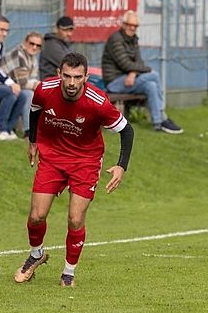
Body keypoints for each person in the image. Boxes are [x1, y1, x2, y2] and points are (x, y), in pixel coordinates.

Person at [14, 52, 134, 287]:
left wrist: (122, 166)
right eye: (67, 76)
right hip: (52, 157)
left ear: (86, 77)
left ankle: (68, 273)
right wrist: (33, 141)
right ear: (59, 73)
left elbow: (127, 130)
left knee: (75, 218)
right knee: (36, 216)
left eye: (77, 77)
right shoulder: (44, 89)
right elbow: (35, 109)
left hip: (85, 161)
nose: (71, 82)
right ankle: (36, 255)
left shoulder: (98, 102)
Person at [101, 10, 183, 134]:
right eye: (130, 25)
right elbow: (125, 64)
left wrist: (133, 73)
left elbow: (139, 62)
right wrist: (146, 69)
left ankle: (157, 123)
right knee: (154, 75)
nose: (133, 28)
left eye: (135, 26)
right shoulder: (115, 39)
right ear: (123, 24)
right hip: (114, 82)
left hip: (129, 79)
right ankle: (163, 116)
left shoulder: (133, 39)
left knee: (151, 86)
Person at [0, 31, 42, 138]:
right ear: (25, 42)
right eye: (32, 43)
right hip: (2, 86)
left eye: (38, 45)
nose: (34, 47)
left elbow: (32, 79)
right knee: (29, 94)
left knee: (37, 94)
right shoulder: (18, 54)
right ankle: (28, 131)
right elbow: (22, 83)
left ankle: (38, 129)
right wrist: (38, 85)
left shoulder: (32, 57)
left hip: (16, 87)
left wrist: (38, 85)